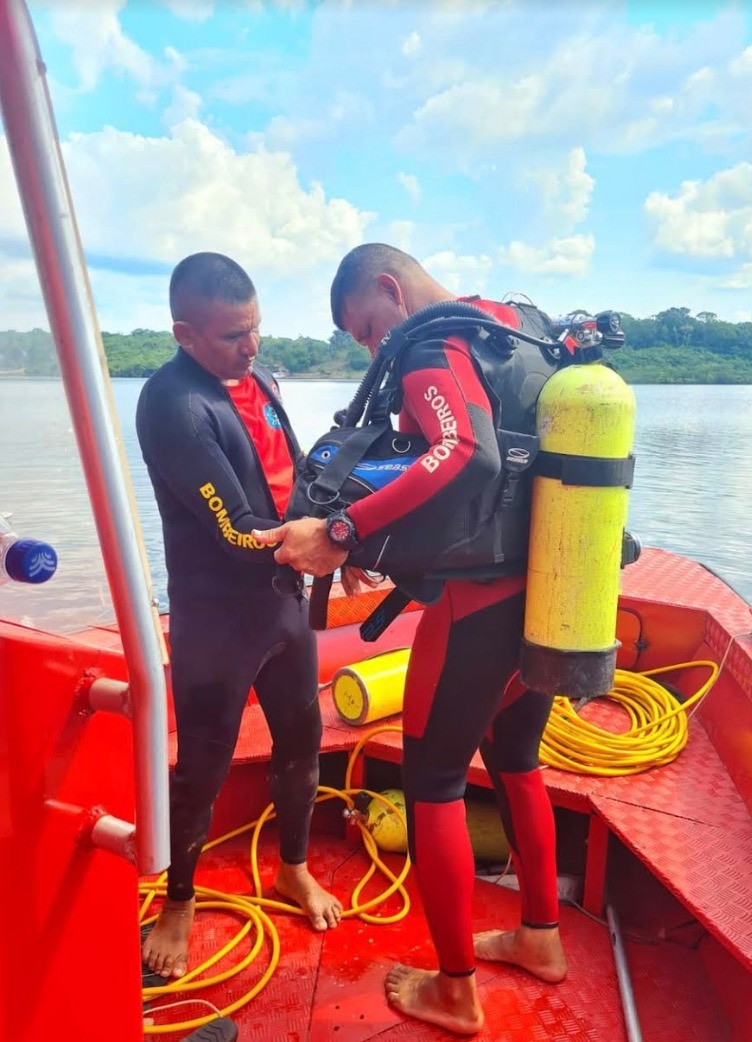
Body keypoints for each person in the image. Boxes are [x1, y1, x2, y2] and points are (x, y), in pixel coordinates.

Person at [253, 244, 566, 1036]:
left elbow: (461, 452)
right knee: (518, 762)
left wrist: (342, 529)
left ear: (389, 289)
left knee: (432, 783)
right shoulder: (516, 330)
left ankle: (455, 990)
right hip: (555, 592)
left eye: (365, 329)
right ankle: (540, 937)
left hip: (480, 610)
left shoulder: (431, 345)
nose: (370, 350)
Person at [136, 252, 342, 980]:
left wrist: (343, 523)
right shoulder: (172, 405)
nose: (250, 348)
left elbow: (301, 481)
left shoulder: (259, 380)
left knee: (302, 742)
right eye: (231, 337)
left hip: (281, 610)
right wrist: (323, 548)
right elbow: (237, 531)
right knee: (202, 768)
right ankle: (179, 902)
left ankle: (292, 867)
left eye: (255, 330)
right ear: (185, 333)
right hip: (217, 620)